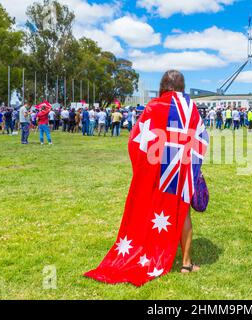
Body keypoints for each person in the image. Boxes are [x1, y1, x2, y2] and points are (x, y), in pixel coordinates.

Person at [85, 70, 209, 286]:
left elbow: (136, 139)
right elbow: (201, 140)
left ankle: (150, 250)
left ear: (163, 85)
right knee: (183, 212)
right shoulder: (191, 109)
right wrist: (193, 168)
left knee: (153, 208)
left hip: (157, 171)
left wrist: (143, 169)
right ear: (182, 86)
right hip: (181, 170)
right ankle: (186, 263)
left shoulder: (153, 107)